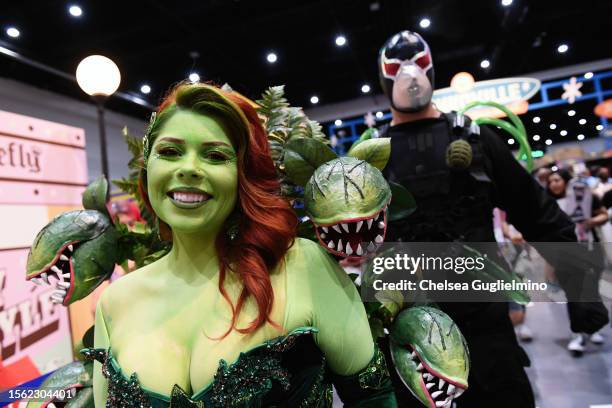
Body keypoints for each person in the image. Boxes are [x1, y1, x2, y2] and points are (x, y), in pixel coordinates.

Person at [87, 83, 397, 407]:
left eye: (215, 155)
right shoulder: (115, 303)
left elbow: (373, 398)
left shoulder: (303, 268)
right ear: (148, 165)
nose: (189, 168)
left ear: (242, 175)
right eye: (169, 152)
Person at [375, 30, 608, 407]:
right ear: (384, 76)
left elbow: (540, 215)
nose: (409, 74)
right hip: (412, 335)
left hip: (486, 329)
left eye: (418, 64)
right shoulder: (372, 160)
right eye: (398, 66)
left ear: (431, 69)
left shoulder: (477, 140)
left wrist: (581, 288)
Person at [546, 169, 609, 355]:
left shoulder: (587, 197)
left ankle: (593, 328)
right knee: (573, 296)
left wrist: (591, 221)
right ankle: (578, 334)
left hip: (590, 250)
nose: (553, 184)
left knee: (592, 292)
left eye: (557, 180)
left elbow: (604, 214)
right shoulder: (549, 205)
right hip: (566, 257)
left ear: (566, 181)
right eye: (550, 181)